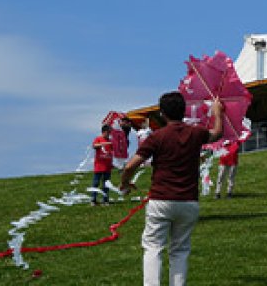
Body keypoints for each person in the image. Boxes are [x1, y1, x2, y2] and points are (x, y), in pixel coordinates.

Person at [119, 92, 223, 286]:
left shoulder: (157, 137)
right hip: (188, 202)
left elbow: (130, 166)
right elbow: (217, 133)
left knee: (153, 247)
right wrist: (217, 112)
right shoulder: (196, 133)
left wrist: (125, 182)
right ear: (184, 111)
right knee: (180, 250)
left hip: (161, 200)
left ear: (162, 114)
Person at [92, 124, 114, 205]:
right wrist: (105, 143)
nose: (109, 134)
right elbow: (94, 145)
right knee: (96, 183)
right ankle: (93, 200)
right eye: (108, 132)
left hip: (107, 166)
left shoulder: (110, 141)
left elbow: (113, 151)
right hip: (99, 166)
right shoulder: (98, 139)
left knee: (106, 184)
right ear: (104, 132)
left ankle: (105, 200)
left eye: (110, 132)